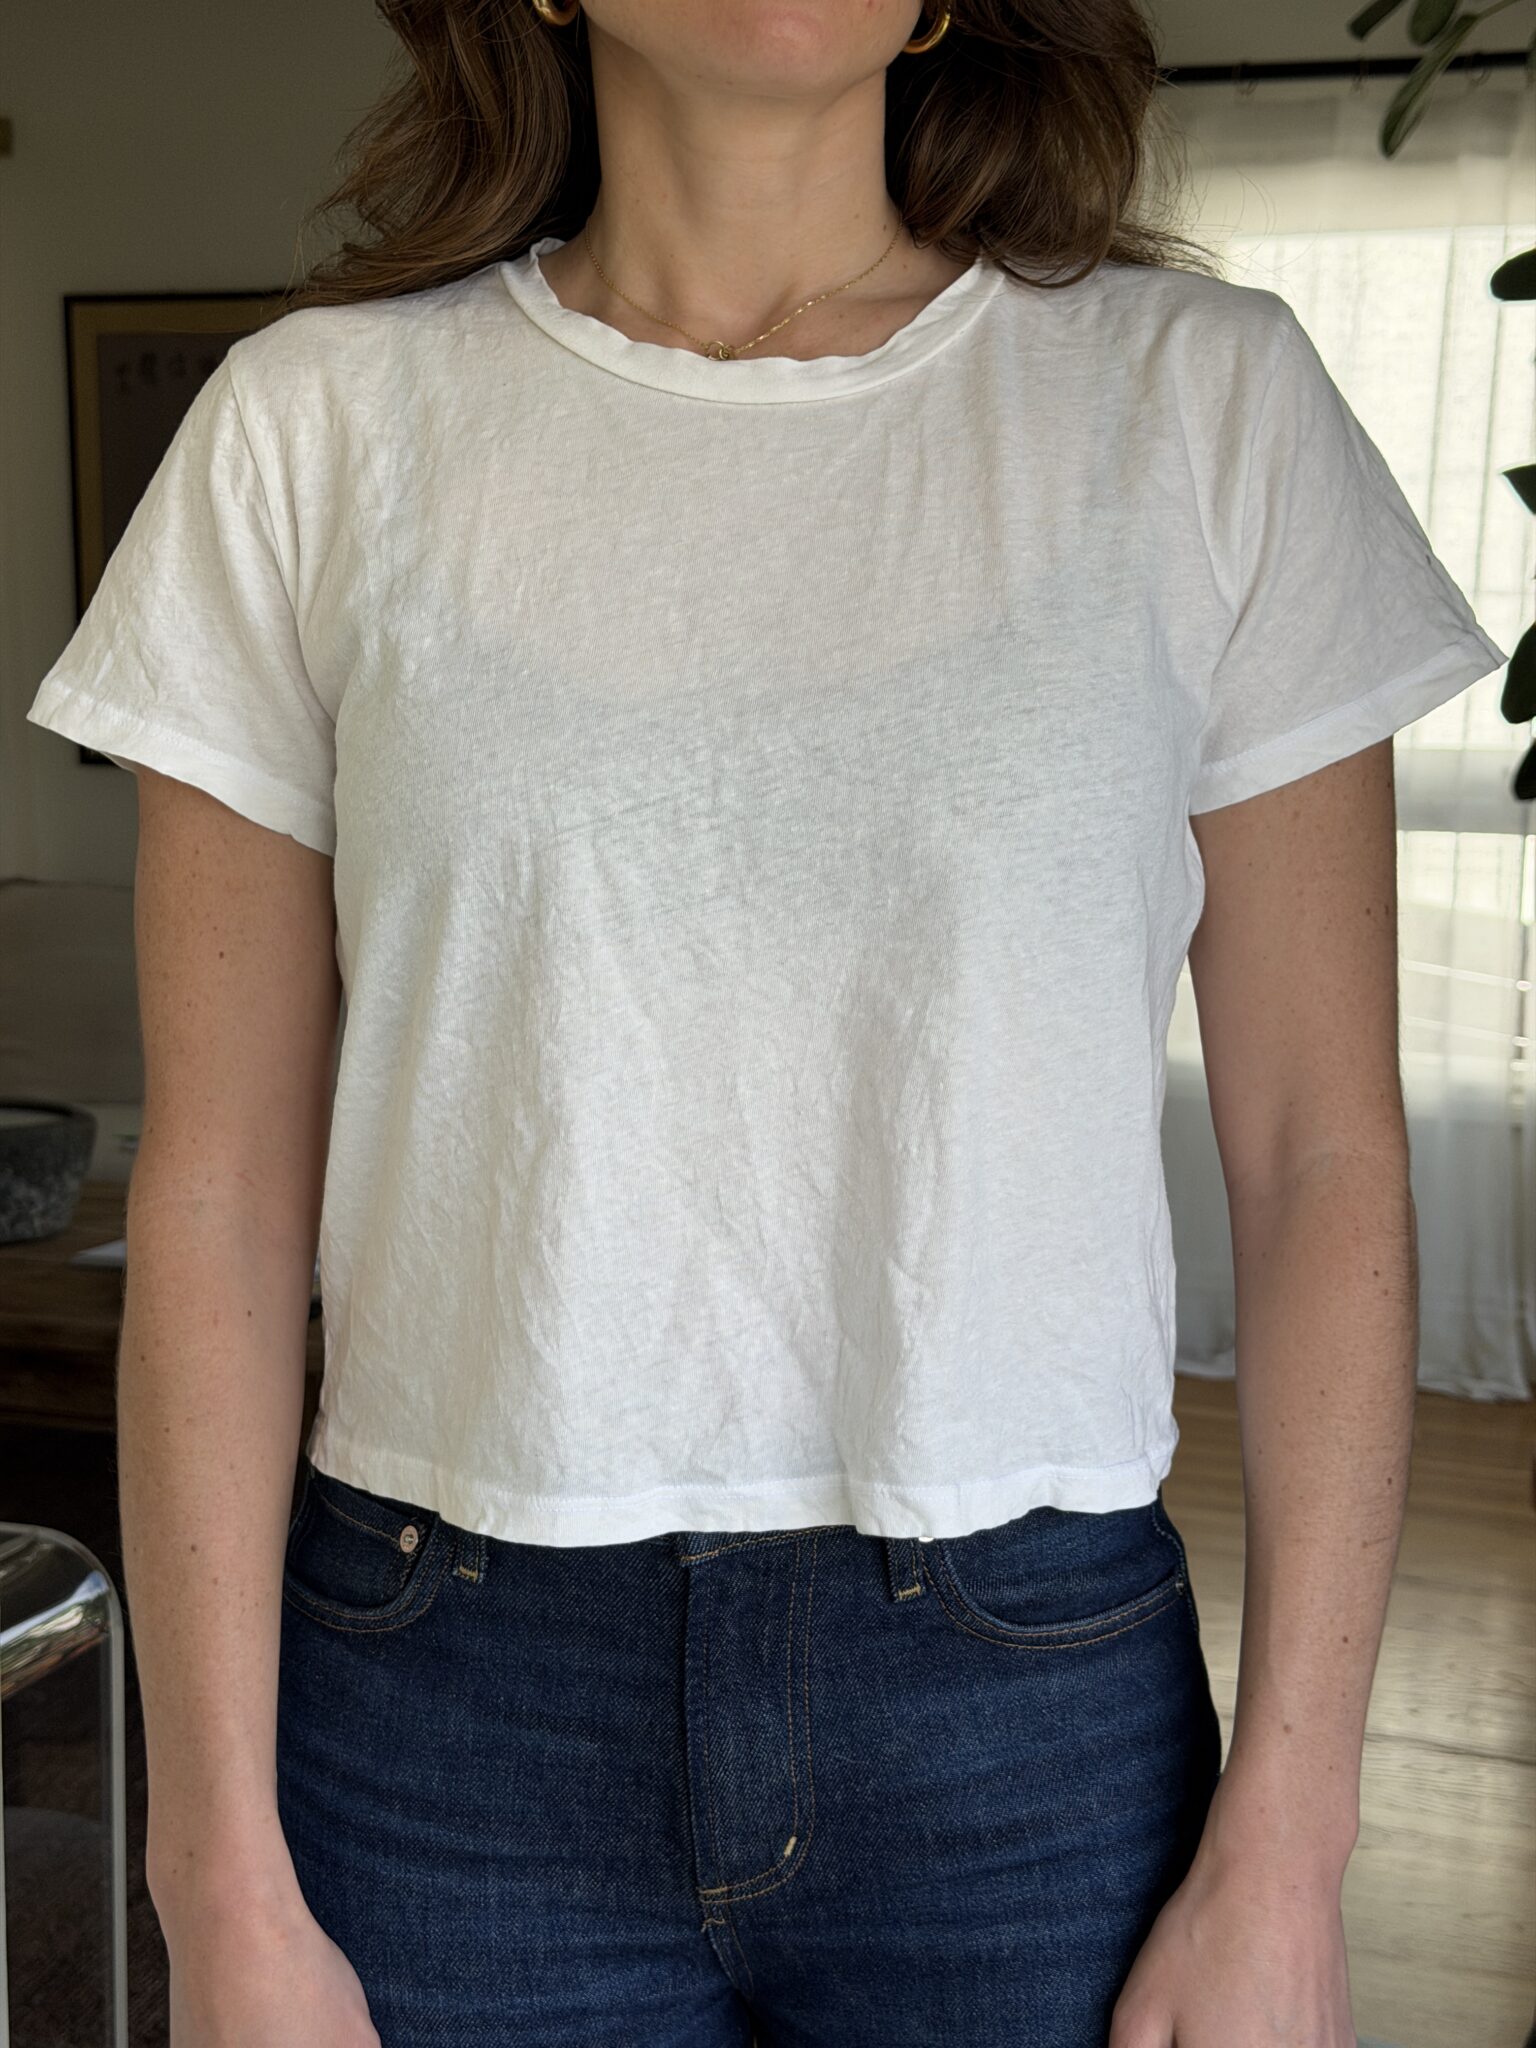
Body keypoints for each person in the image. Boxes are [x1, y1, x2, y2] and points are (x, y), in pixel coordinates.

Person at [25, 1, 1507, 2043]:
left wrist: (1291, 1845)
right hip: (446, 1701)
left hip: (1028, 1702)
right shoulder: (316, 429)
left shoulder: (1200, 405)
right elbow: (213, 1196)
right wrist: (216, 1878)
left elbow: (1320, 1153)